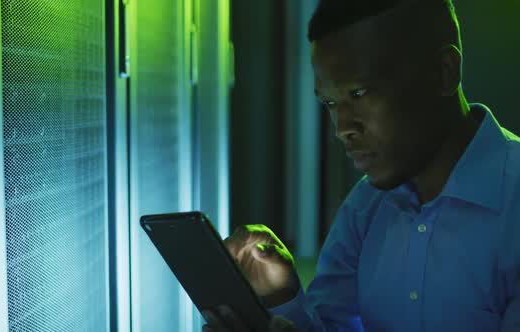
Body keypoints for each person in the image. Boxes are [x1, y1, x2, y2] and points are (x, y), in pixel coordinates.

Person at [203, 0, 520, 331]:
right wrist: (281, 297)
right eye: (330, 103)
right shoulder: (366, 206)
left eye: (359, 92)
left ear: (444, 72)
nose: (342, 128)